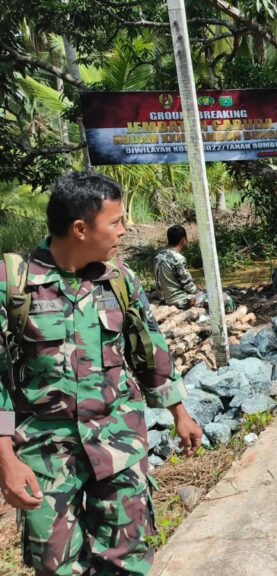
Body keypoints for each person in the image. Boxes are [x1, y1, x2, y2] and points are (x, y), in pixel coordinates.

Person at [0, 172, 202, 575]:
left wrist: (180, 413)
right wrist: (6, 458)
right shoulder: (15, 284)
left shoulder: (119, 280)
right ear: (80, 229)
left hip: (118, 442)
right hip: (45, 453)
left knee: (127, 559)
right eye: (115, 222)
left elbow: (151, 349)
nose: (125, 230)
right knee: (56, 566)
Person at [153, 225, 236, 312]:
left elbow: (158, 284)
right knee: (227, 300)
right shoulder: (178, 258)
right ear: (183, 240)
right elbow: (187, 284)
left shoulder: (158, 256)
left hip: (167, 299)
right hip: (181, 301)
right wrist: (199, 291)